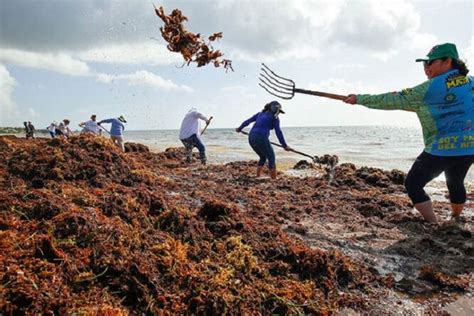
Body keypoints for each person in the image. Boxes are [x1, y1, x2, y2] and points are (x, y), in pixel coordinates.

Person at [343, 43, 474, 223]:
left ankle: (433, 223)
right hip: (470, 147)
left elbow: (390, 100)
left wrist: (359, 99)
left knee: (413, 184)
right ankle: (456, 218)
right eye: (424, 64)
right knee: (455, 181)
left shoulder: (428, 88)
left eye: (431, 63)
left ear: (448, 61)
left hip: (442, 148)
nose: (426, 68)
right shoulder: (471, 82)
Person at [236, 101, 292, 179]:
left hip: (251, 138)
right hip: (261, 137)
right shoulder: (275, 118)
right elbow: (278, 132)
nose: (278, 113)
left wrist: (240, 128)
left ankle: (258, 176)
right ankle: (273, 179)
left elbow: (247, 121)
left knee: (263, 156)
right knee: (271, 156)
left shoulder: (259, 114)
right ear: (273, 109)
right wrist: (285, 145)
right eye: (278, 111)